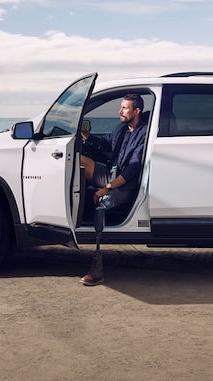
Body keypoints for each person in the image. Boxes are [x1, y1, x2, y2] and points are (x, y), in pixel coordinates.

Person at [78, 93, 148, 286]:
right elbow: (106, 144)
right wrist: (87, 135)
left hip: (125, 184)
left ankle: (97, 266)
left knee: (102, 203)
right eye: (121, 107)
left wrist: (106, 188)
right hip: (112, 174)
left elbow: (134, 169)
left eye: (124, 108)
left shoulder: (144, 134)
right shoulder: (121, 129)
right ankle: (75, 209)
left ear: (136, 111)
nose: (120, 111)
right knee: (80, 163)